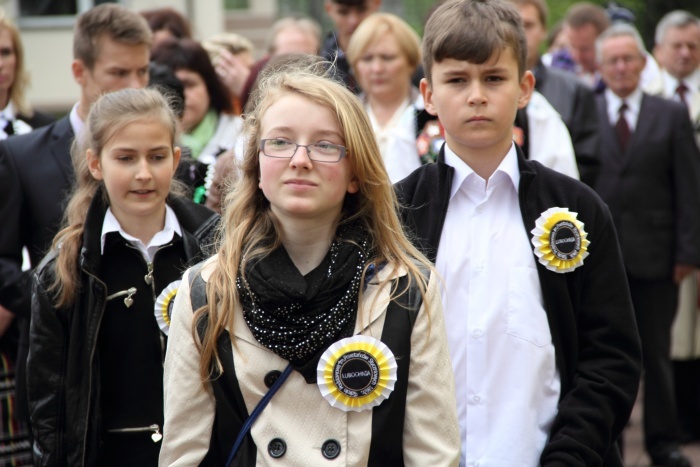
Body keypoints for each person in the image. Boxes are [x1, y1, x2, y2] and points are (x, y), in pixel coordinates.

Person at [158, 66, 460, 465]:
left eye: (325, 145)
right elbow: (183, 455)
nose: (300, 160)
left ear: (355, 173)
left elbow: (433, 454)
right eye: (280, 142)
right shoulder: (205, 291)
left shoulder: (407, 289)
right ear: (258, 169)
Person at [395, 0, 642, 465]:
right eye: (456, 80)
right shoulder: (395, 213)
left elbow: (611, 355)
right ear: (427, 94)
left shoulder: (578, 210)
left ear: (525, 87)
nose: (476, 96)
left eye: (493, 78)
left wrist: (571, 454)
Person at [26, 87, 219, 467]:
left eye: (157, 156)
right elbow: (50, 407)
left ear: (176, 158)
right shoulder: (64, 270)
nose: (143, 173)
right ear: (96, 164)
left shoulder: (217, 249)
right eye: (126, 158)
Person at [0, 2, 152, 442]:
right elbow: (4, 261)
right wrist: (60, 293)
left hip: (146, 364)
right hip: (59, 366)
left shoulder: (162, 156)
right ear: (79, 71)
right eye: (118, 73)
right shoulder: (22, 155)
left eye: (143, 72)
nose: (134, 86)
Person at [593, 23, 700, 467]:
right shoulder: (586, 109)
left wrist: (687, 253)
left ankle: (662, 440)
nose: (621, 67)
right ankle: (608, 442)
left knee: (656, 354)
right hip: (597, 259)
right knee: (604, 355)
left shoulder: (669, 114)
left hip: (657, 258)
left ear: (642, 62)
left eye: (628, 58)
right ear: (600, 67)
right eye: (612, 60)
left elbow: (689, 189)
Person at [646, 10, 700, 445]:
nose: (684, 54)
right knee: (675, 332)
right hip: (667, 232)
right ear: (659, 50)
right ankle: (679, 421)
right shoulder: (644, 95)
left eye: (693, 46)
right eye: (676, 46)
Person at [508, 0, 601, 186]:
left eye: (528, 25)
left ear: (544, 30)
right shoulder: (480, 91)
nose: (519, 33)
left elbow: (587, 163)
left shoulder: (575, 89)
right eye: (511, 24)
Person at [151, 38, 242, 204]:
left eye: (188, 84)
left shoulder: (241, 135)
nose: (180, 96)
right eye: (169, 85)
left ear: (209, 87)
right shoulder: (140, 143)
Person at [346, 13, 426, 182]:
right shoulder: (343, 117)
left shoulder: (431, 114)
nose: (376, 68)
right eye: (367, 59)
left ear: (411, 62)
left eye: (387, 57)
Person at [239, 16, 322, 111]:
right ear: (269, 57)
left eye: (306, 57)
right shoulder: (255, 98)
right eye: (287, 58)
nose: (298, 66)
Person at [321, 0, 381, 93]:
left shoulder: (400, 55)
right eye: (343, 12)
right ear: (329, 9)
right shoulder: (318, 60)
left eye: (362, 10)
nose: (353, 21)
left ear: (377, 3)